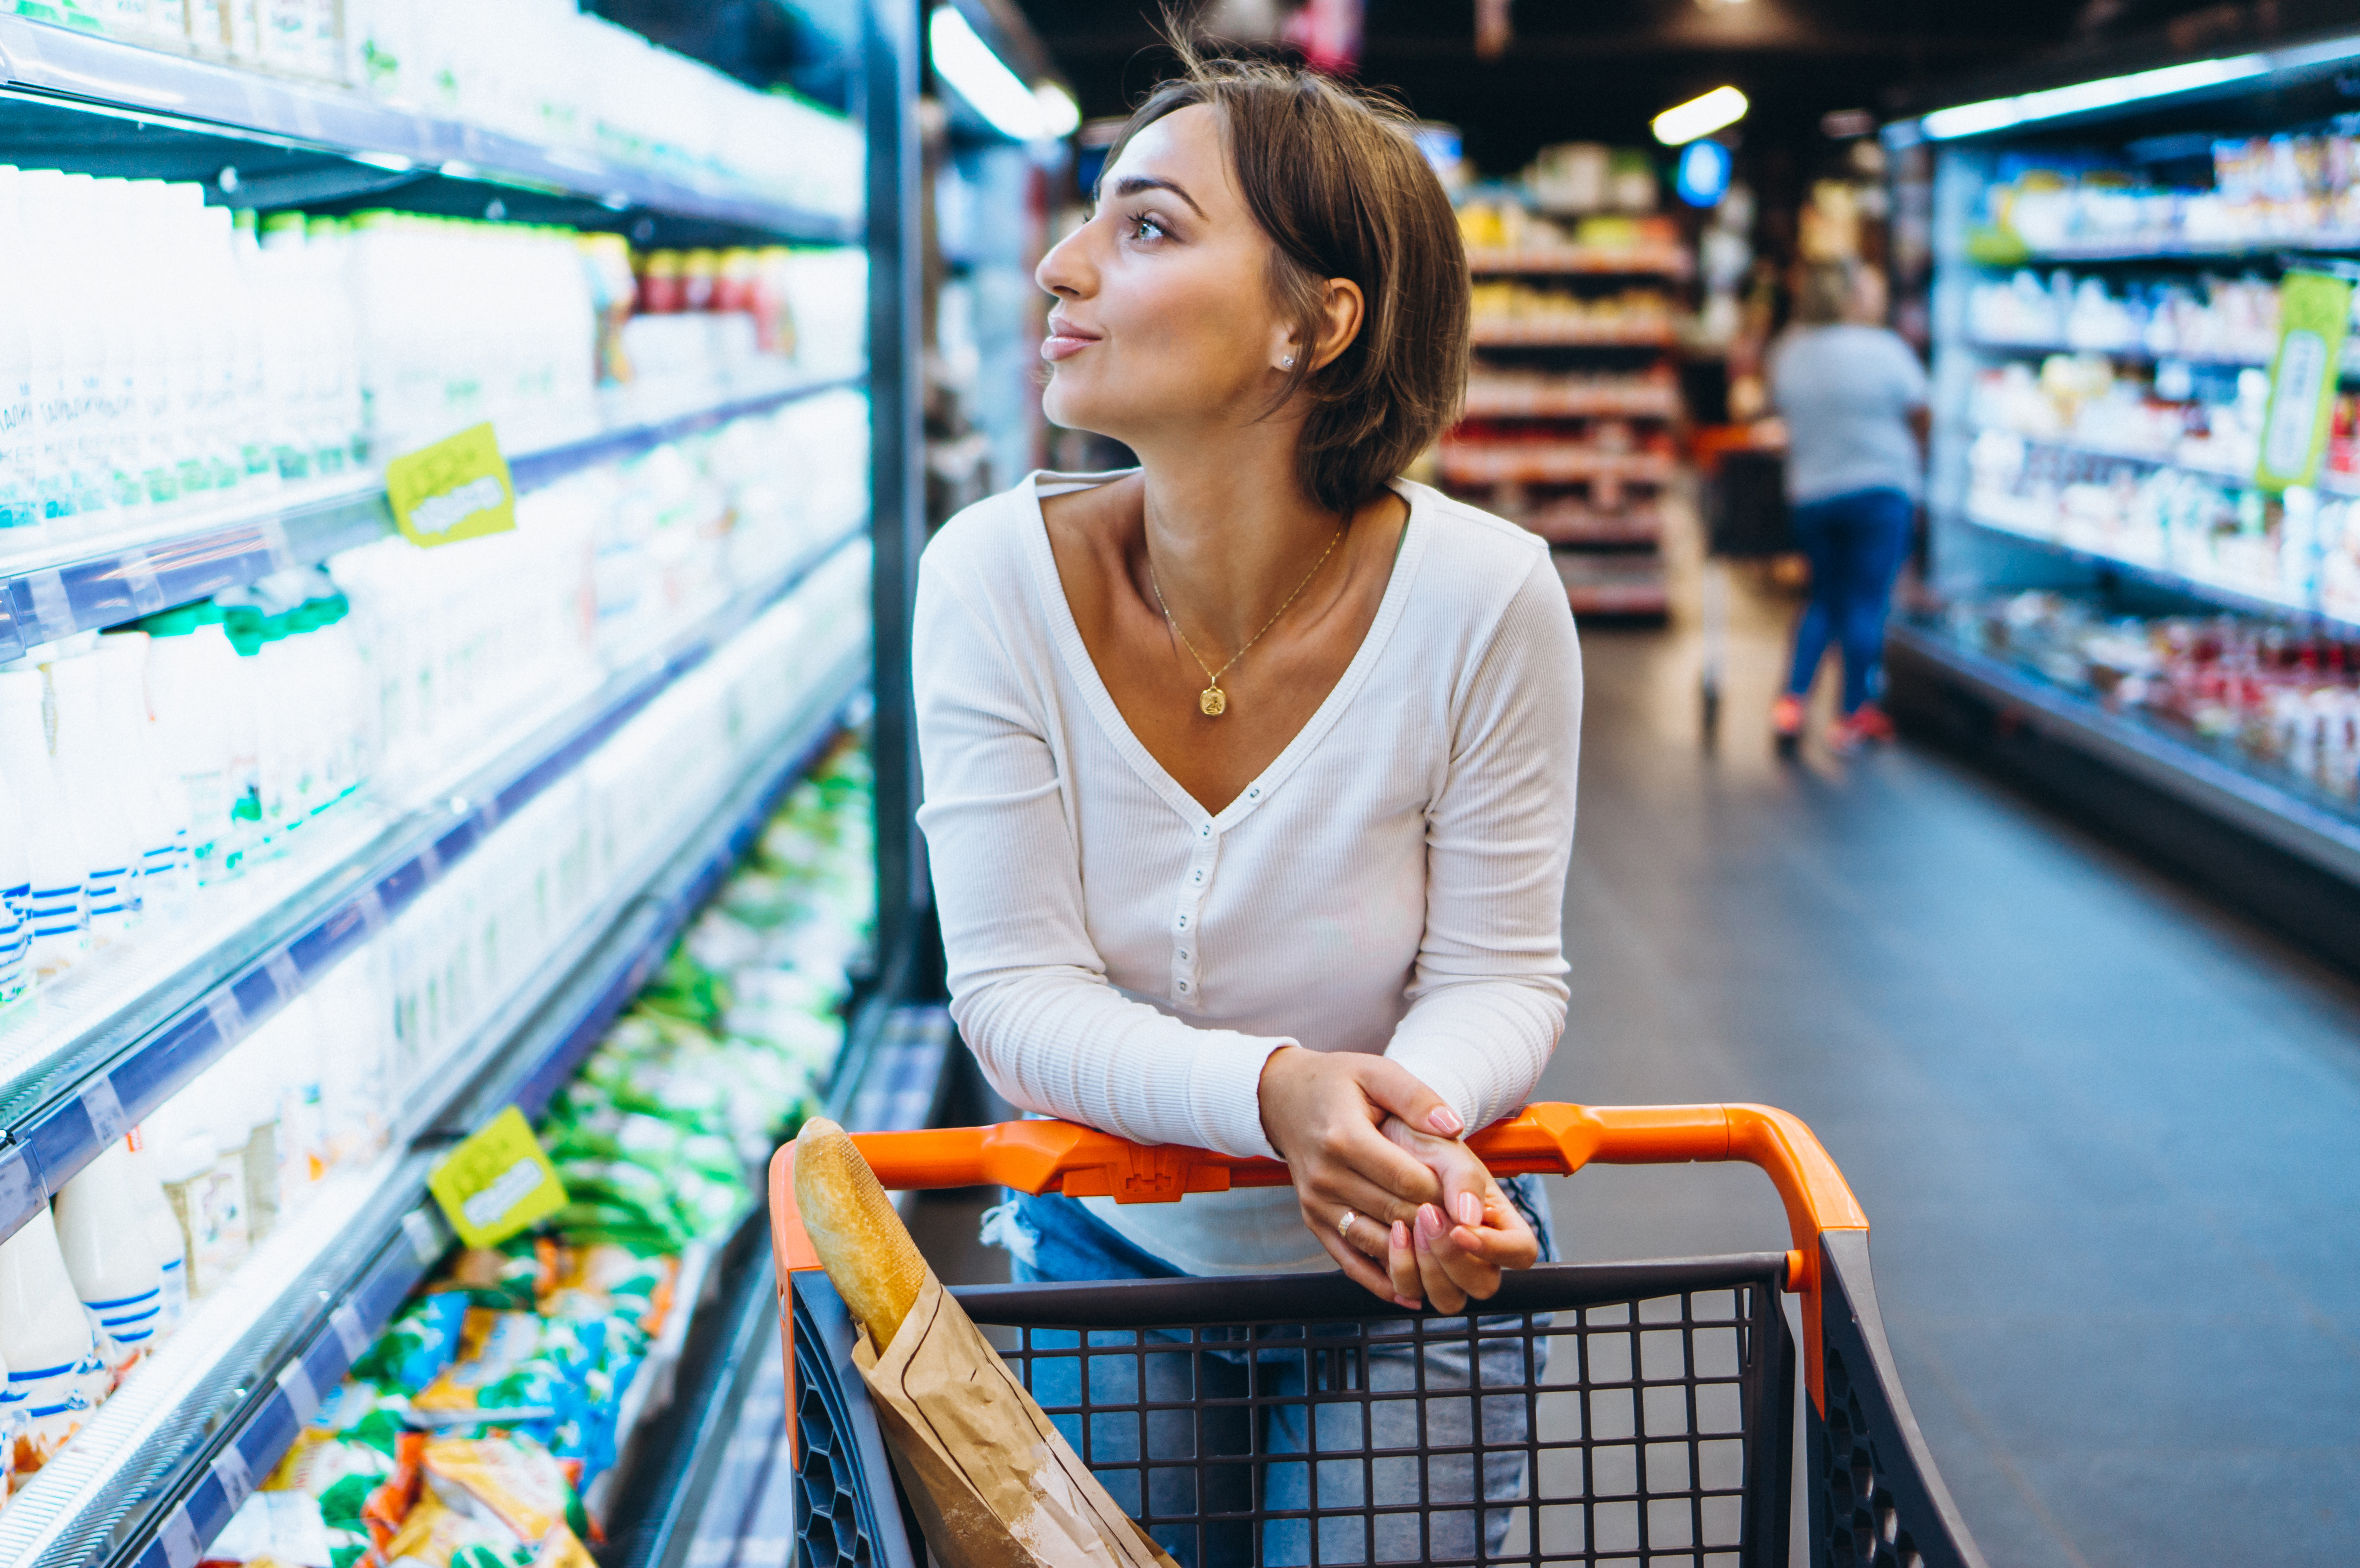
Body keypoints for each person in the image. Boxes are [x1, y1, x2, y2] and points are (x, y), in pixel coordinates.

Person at [910, 44, 1581, 1568]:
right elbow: (1012, 996)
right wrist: (1276, 1097)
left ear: (1313, 322)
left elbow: (1498, 973)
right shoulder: (990, 580)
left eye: (1145, 227)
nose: (1058, 267)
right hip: (1112, 1248)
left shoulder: (1484, 596)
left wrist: (1409, 1156)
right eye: (1091, 218)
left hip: (1418, 1268)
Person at [1766, 259, 1929, 752]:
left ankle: (1791, 704)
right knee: (1865, 602)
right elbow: (1921, 413)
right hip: (1880, 491)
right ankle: (1853, 713)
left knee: (1820, 597)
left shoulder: (1789, 351)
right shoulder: (1883, 350)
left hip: (1812, 492)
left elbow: (1776, 412)